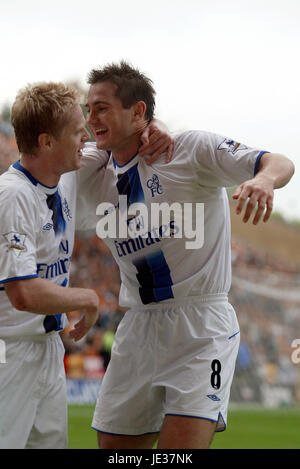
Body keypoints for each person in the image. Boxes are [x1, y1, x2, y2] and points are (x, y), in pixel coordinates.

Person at [78, 61, 295, 449]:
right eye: (88, 108)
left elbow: (279, 161)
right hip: (137, 327)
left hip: (201, 327)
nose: (91, 117)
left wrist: (263, 179)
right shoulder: (91, 170)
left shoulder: (190, 148)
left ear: (139, 111)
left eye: (102, 107)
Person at [0, 81, 172, 449]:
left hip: (46, 349)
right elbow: (23, 292)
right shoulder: (13, 195)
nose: (86, 138)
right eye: (78, 132)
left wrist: (153, 129)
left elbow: (123, 145)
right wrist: (88, 298)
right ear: (46, 142)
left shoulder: (66, 175)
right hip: (9, 350)